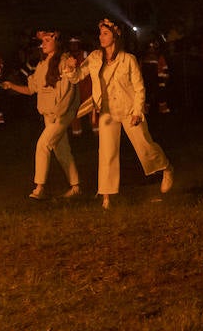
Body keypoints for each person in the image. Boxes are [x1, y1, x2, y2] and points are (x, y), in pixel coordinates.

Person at [73, 18, 174, 209]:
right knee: (106, 153)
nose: (101, 37)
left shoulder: (128, 59)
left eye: (105, 33)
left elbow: (139, 87)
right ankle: (106, 196)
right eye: (100, 34)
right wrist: (70, 68)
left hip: (128, 110)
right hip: (107, 112)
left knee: (145, 146)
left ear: (115, 36)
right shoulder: (95, 57)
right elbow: (77, 76)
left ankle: (167, 168)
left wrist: (137, 110)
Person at [4, 31, 83, 200]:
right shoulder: (41, 65)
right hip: (49, 115)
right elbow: (31, 90)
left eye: (48, 40)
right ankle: (76, 187)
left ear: (57, 43)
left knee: (43, 145)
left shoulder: (65, 62)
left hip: (61, 115)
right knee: (61, 150)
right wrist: (11, 86)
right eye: (43, 41)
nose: (44, 44)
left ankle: (39, 188)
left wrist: (60, 113)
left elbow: (69, 92)